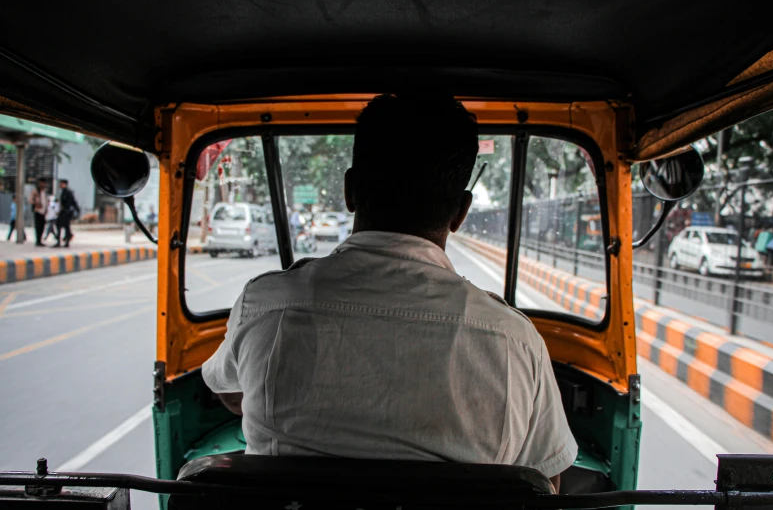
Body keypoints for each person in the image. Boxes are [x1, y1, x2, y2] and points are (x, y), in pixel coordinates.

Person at [201, 95, 577, 491]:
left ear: (349, 191)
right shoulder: (515, 339)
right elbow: (545, 481)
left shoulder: (265, 303)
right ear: (461, 213)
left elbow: (225, 386)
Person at [54, 179, 79, 248]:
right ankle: (59, 241)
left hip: (66, 212)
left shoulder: (68, 192)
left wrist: (77, 210)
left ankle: (66, 241)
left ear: (65, 184)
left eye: (62, 184)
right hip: (62, 212)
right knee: (59, 225)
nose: (60, 185)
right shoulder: (61, 192)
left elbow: (73, 202)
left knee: (66, 227)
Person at [29, 178, 48, 247]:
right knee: (38, 226)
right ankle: (38, 241)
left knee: (42, 226)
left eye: (44, 183)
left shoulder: (44, 192)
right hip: (37, 211)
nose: (42, 184)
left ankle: (40, 240)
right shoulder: (36, 191)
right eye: (41, 183)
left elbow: (45, 201)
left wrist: (46, 209)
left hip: (43, 212)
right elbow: (30, 200)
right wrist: (36, 204)